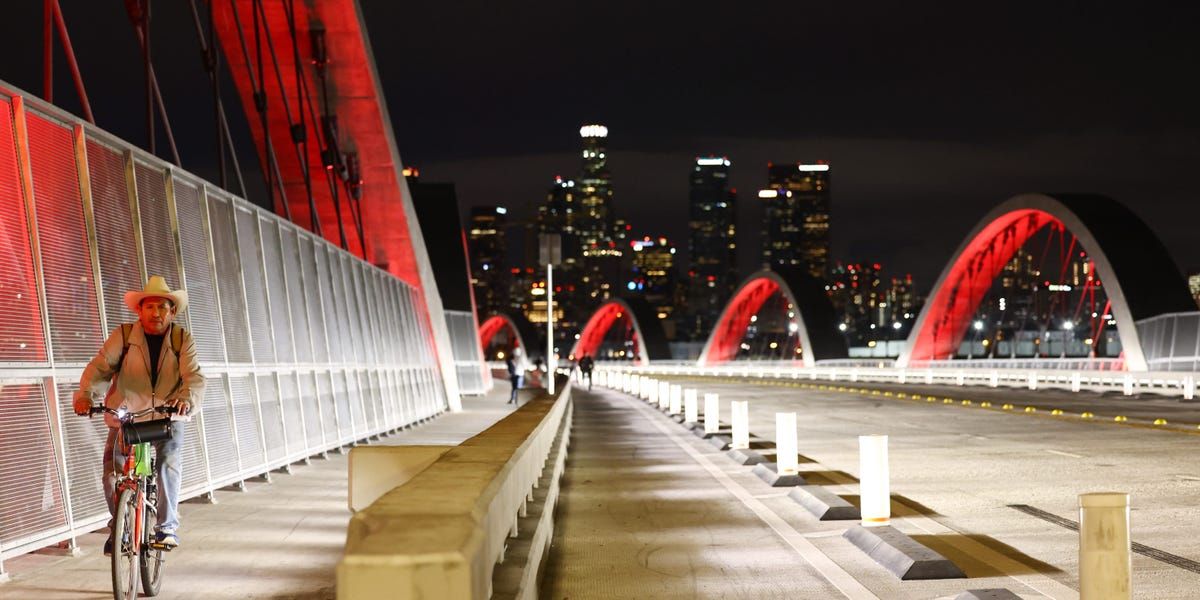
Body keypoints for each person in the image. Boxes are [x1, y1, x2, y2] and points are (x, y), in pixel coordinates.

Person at [73, 276, 205, 555]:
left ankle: (167, 528)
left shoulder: (182, 339)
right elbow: (99, 368)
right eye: (149, 307)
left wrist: (185, 399)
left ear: (172, 312)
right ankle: (119, 526)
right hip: (128, 416)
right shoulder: (122, 336)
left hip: (167, 415)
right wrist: (86, 396)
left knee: (168, 463)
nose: (155, 313)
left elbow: (193, 377)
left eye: (162, 308)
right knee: (112, 474)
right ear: (139, 311)